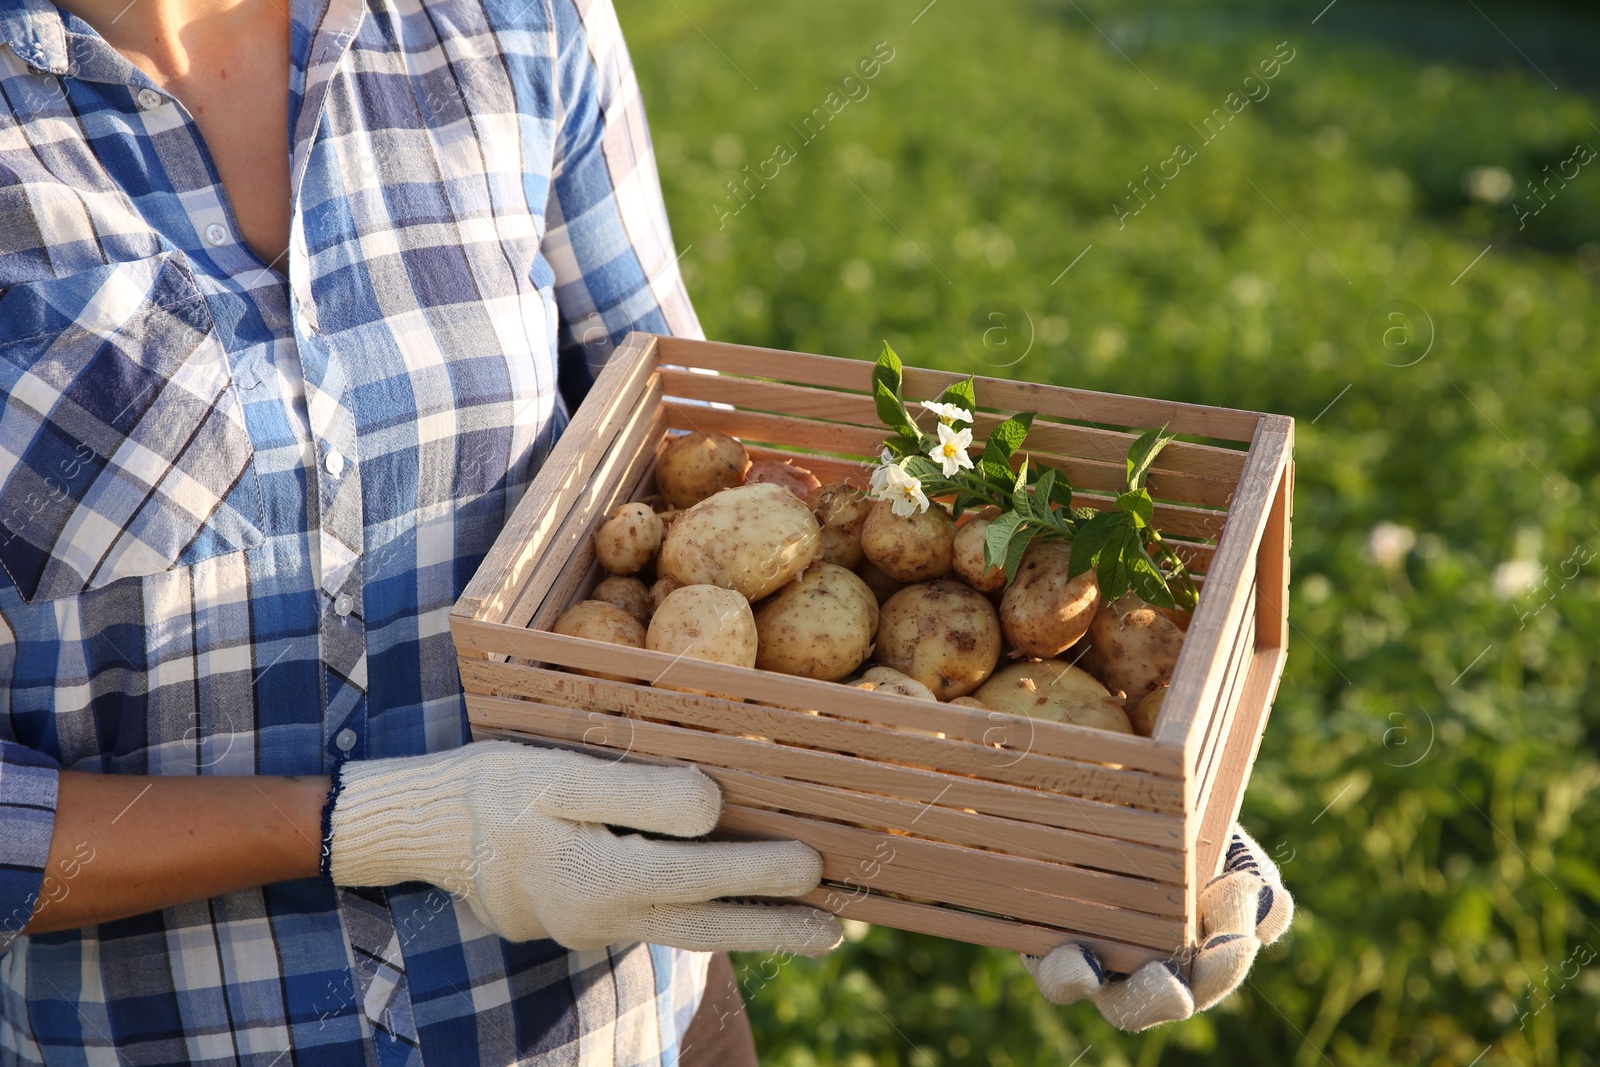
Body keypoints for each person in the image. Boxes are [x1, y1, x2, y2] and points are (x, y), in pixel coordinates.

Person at [0, 0, 1293, 1060]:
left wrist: (1073, 803)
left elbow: (691, 468)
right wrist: (383, 824)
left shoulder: (509, 24)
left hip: (621, 1027)